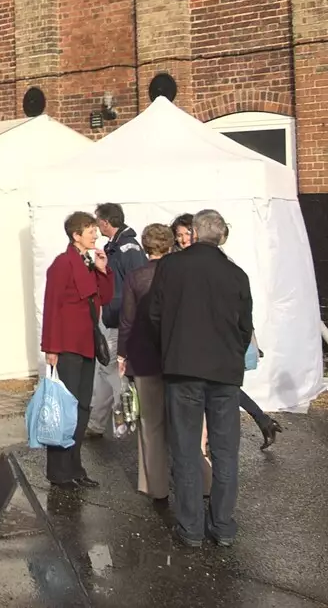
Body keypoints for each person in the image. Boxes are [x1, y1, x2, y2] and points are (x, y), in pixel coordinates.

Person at [149, 209, 253, 549]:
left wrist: (170, 348)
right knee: (225, 451)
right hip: (224, 372)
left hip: (183, 369)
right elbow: (244, 327)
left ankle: (191, 526)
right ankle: (222, 524)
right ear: (221, 236)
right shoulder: (236, 274)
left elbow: (156, 315)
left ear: (193, 233)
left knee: (185, 449)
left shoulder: (170, 266)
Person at [40, 211, 112, 490]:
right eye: (90, 230)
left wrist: (104, 270)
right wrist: (51, 347)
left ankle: (74, 466)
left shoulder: (89, 263)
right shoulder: (62, 264)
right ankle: (58, 470)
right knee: (65, 409)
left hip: (87, 344)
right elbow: (52, 305)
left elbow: (104, 297)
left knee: (82, 406)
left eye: (95, 229)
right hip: (68, 345)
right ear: (76, 236)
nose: (95, 234)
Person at [216, 220, 282, 450]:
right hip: (225, 336)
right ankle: (263, 420)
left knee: (221, 385)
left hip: (222, 336)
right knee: (224, 385)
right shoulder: (224, 263)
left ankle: (261, 421)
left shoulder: (223, 265)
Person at [119, 223, 173, 502]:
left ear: (145, 245)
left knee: (151, 424)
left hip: (144, 356)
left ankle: (156, 486)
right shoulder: (180, 274)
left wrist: (122, 355)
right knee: (186, 424)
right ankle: (203, 480)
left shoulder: (136, 276)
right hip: (177, 356)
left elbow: (127, 321)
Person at [88, 202, 147, 438]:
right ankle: (97, 424)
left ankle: (130, 419)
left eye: (97, 221)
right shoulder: (114, 247)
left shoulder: (128, 249)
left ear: (105, 222)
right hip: (112, 318)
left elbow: (139, 284)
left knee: (114, 373)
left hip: (121, 321)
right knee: (106, 370)